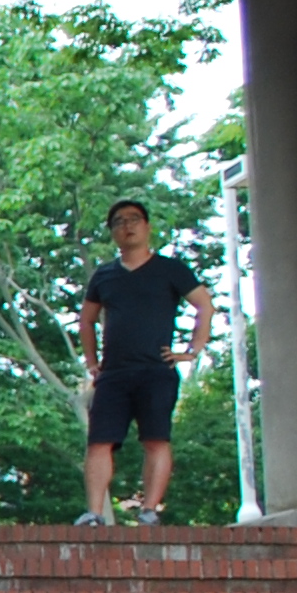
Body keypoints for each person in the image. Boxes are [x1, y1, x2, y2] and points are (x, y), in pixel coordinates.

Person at [80, 195, 216, 525]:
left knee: (156, 439)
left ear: (147, 226)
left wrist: (192, 350)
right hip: (114, 373)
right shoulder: (104, 275)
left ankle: (149, 510)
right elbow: (87, 319)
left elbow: (205, 305)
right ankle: (94, 513)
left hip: (156, 370)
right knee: (99, 442)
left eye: (133, 220)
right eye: (118, 222)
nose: (126, 227)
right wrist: (92, 361)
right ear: (112, 232)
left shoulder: (170, 269)